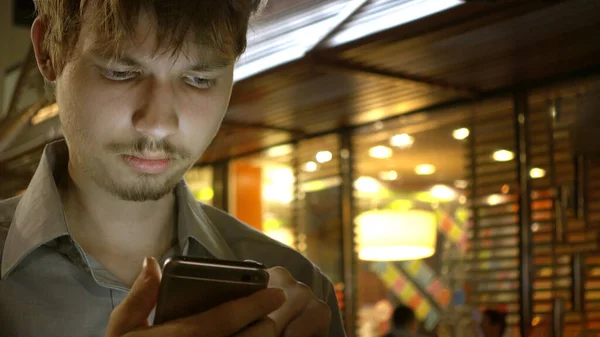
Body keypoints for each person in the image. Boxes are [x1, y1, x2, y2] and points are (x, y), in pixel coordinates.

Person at [0, 1, 345, 336]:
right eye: (120, 73)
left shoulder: (301, 296)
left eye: (199, 79)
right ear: (48, 50)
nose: (157, 124)